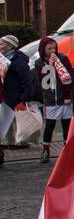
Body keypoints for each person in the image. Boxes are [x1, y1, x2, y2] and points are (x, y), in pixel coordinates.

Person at [32, 36, 74, 163]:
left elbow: (69, 78)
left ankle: (68, 150)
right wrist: (50, 67)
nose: (52, 50)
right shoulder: (39, 63)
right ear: (42, 49)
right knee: (49, 125)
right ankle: (45, 150)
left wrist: (68, 96)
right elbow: (43, 81)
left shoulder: (62, 58)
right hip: (50, 100)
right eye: (49, 48)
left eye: (54, 47)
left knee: (66, 124)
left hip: (64, 99)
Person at [0, 34, 33, 167]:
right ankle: (10, 143)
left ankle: (18, 142)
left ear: (10, 46)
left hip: (14, 97)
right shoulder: (4, 59)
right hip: (5, 96)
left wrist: (24, 98)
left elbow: (26, 81)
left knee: (13, 122)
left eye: (2, 44)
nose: (0, 46)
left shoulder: (18, 61)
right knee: (5, 124)